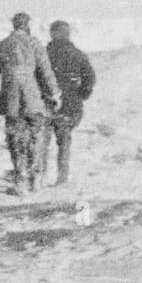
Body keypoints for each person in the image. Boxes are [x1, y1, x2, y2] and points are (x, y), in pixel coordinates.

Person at [0, 12, 61, 196]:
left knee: (15, 139)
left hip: (11, 101)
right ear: (27, 25)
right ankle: (36, 179)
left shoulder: (2, 45)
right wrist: (55, 94)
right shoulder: (35, 44)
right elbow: (46, 71)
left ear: (13, 25)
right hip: (33, 100)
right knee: (35, 137)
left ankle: (21, 180)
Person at [41, 20, 95, 186]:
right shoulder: (77, 54)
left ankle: (40, 175)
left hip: (46, 104)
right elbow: (89, 78)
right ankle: (62, 177)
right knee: (64, 141)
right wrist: (81, 95)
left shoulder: (43, 54)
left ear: (52, 34)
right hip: (70, 105)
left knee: (42, 141)